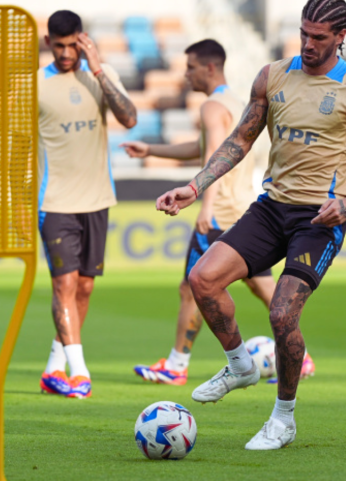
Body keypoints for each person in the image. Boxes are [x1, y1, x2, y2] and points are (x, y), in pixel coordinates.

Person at [155, 0, 346, 450]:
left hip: (320, 218)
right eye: (303, 33)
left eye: (318, 37)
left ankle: (283, 418)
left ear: (340, 37)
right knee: (202, 280)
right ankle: (241, 365)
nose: (307, 43)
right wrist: (194, 187)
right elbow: (240, 139)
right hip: (271, 207)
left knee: (282, 312)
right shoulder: (273, 76)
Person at [123, 39, 314, 385]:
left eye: (191, 67)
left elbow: (213, 152)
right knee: (264, 286)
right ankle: (303, 357)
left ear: (209, 67)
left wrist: (204, 205)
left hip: (220, 212)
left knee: (191, 286)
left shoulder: (211, 106)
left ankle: (177, 365)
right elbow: (202, 150)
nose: (186, 74)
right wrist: (151, 149)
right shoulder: (235, 102)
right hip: (244, 210)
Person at [37, 10, 137, 399]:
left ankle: (53, 368)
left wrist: (97, 70)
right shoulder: (33, 86)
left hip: (97, 198)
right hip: (54, 200)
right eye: (58, 46)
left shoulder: (101, 74)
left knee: (84, 289)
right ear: (49, 43)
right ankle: (80, 374)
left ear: (83, 40)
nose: (65, 53)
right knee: (63, 284)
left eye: (71, 44)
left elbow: (129, 118)